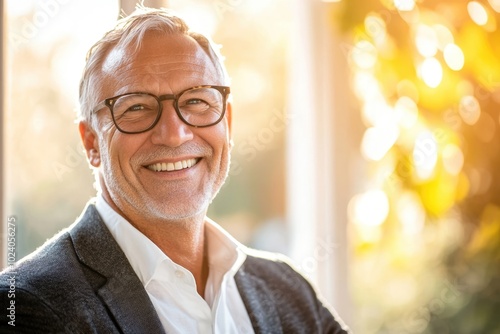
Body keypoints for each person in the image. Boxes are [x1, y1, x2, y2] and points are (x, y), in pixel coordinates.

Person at [0, 6, 350, 333]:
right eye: (136, 107)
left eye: (196, 101)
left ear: (227, 122)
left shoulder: (288, 290)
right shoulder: (26, 305)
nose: (173, 134)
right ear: (91, 142)